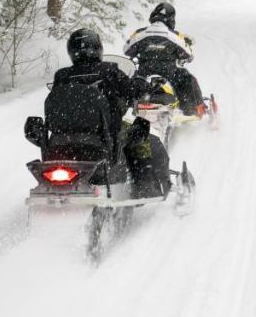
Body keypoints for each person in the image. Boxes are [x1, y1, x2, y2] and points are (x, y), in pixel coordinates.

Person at [41, 28, 171, 198]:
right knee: (145, 136)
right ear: (98, 48)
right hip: (106, 136)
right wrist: (147, 87)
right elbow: (132, 90)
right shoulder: (110, 71)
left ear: (72, 51)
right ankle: (145, 185)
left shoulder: (62, 76)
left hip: (62, 141)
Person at [124, 2, 205, 116]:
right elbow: (188, 54)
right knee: (188, 78)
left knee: (127, 81)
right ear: (171, 19)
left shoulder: (140, 33)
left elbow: (127, 50)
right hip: (169, 75)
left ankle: (125, 108)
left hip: (144, 75)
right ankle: (194, 110)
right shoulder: (174, 36)